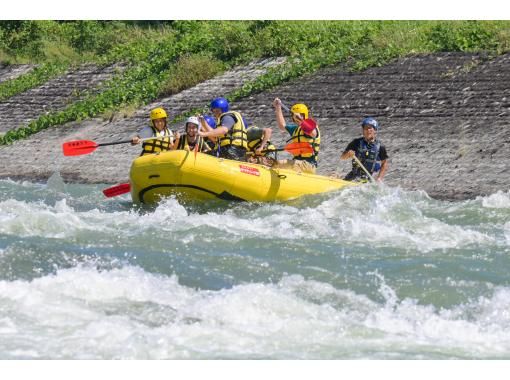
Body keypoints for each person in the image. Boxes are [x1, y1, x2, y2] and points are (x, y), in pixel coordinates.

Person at [272, 97, 320, 174]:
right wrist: (278, 107)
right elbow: (282, 126)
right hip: (297, 162)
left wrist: (301, 120)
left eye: (301, 115)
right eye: (296, 116)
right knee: (276, 164)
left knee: (280, 163)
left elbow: (313, 133)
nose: (296, 118)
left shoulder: (312, 127)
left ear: (305, 115)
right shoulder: (296, 129)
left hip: (309, 165)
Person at [198, 97, 248, 161]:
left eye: (217, 111)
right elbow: (215, 136)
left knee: (201, 157)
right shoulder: (222, 120)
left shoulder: (228, 116)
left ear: (223, 109)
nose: (215, 113)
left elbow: (224, 130)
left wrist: (203, 134)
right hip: (234, 151)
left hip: (231, 150)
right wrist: (204, 123)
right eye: (214, 111)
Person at [340, 117, 389, 182]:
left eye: (370, 128)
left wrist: (379, 178)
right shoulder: (356, 142)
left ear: (375, 130)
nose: (368, 130)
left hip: (369, 179)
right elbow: (342, 157)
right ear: (363, 130)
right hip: (354, 176)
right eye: (366, 128)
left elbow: (384, 164)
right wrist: (348, 154)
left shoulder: (380, 147)